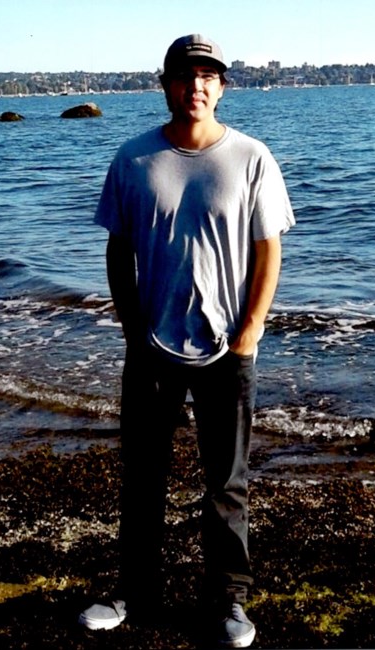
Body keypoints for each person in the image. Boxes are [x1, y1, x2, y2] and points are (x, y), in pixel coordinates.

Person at [79, 34, 295, 648]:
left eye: (207, 76)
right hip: (152, 348)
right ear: (165, 84)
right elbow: (118, 249)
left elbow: (268, 250)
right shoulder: (134, 159)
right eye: (184, 75)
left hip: (227, 349)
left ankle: (229, 601)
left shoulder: (252, 157)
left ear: (221, 87)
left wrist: (252, 329)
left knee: (226, 482)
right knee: (143, 476)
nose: (195, 85)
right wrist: (131, 328)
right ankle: (134, 592)